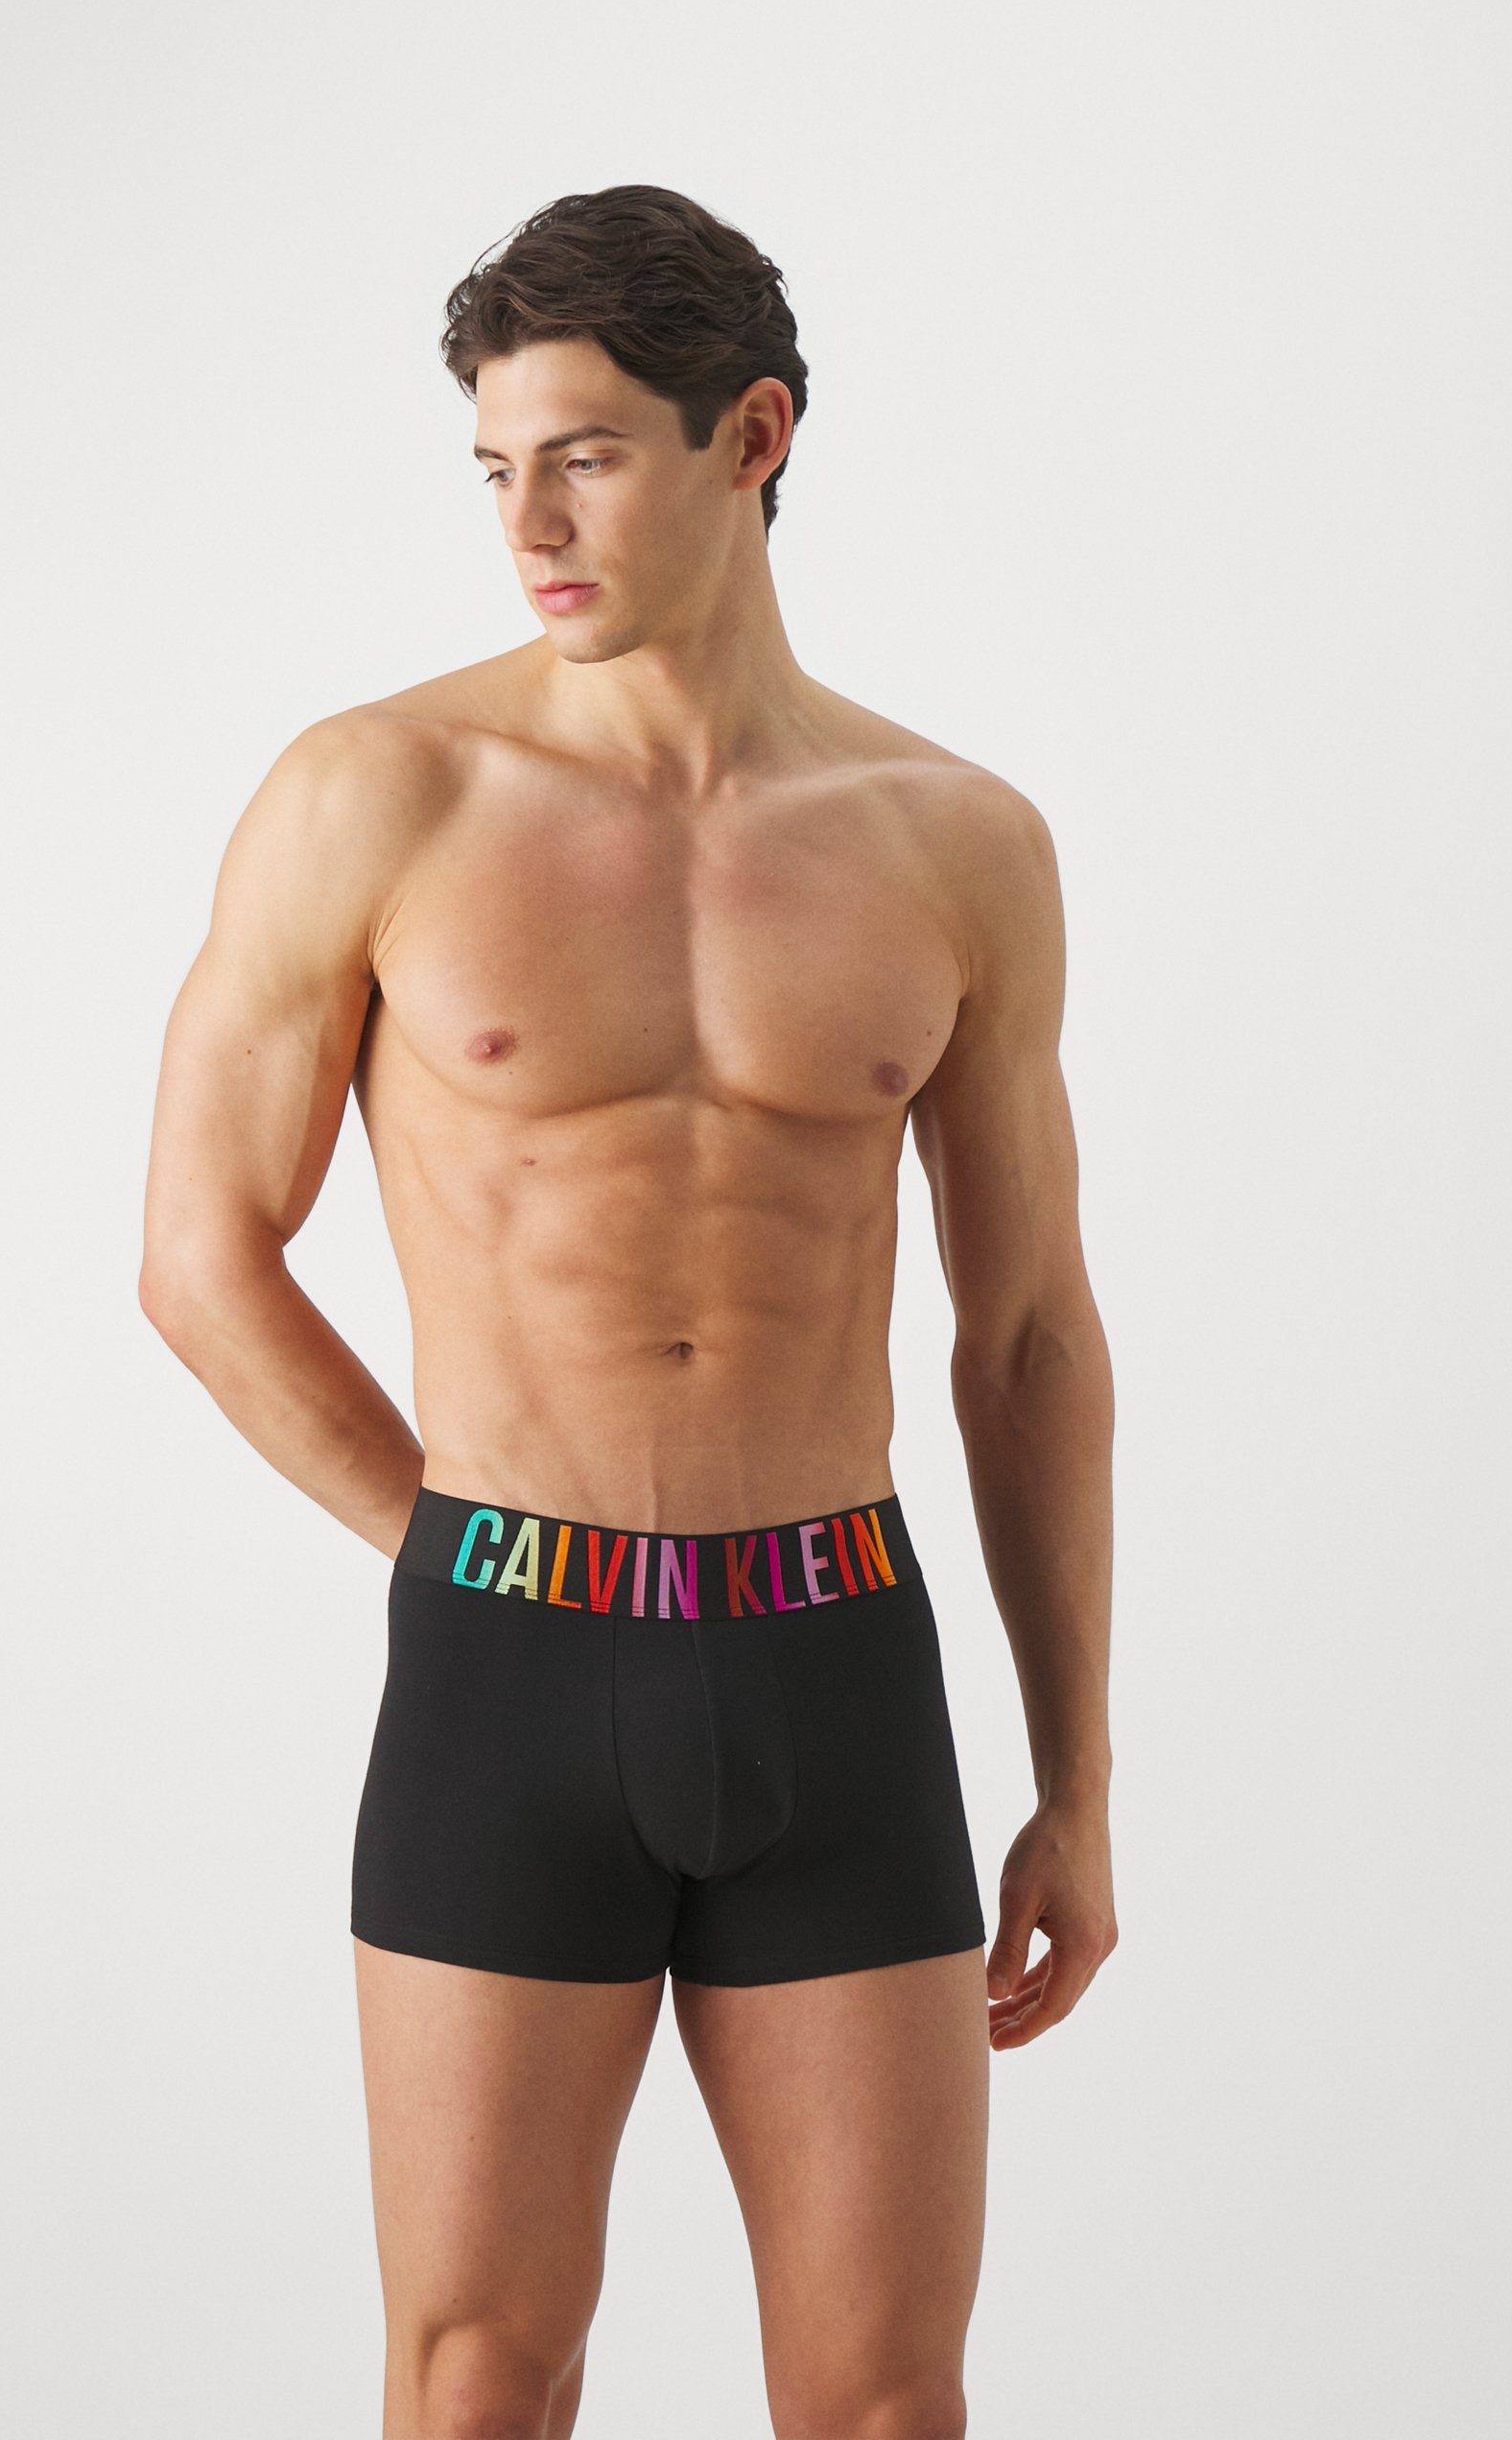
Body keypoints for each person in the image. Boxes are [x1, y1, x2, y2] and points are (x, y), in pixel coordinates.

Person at [139, 181, 1117, 2440]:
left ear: (749, 435)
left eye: (581, 455)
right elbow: (199, 1253)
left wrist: (1076, 1780)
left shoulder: (954, 838)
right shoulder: (377, 794)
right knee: (480, 2376)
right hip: (509, 1662)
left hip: (836, 1659)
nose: (527, 524)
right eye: (495, 466)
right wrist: (455, 1548)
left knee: (884, 2398)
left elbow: (1029, 1336)